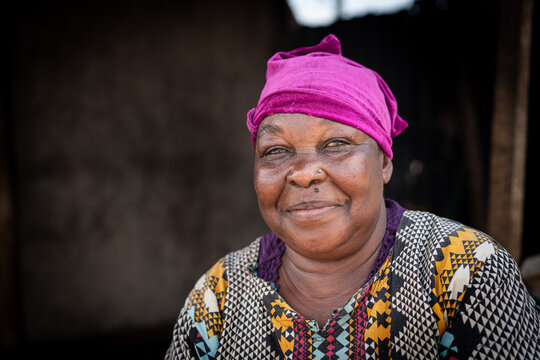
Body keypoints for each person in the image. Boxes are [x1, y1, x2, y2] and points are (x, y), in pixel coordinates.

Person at [165, 34, 539, 359]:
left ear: (384, 164)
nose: (304, 171)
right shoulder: (219, 295)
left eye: (337, 144)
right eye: (276, 150)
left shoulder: (467, 271)